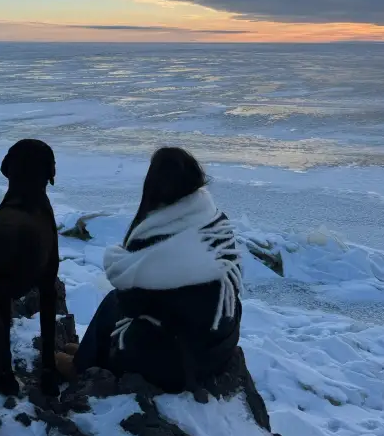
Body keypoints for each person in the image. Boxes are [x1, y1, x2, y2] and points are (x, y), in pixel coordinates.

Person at [55, 147, 243, 392]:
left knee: (117, 302)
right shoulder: (214, 220)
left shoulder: (158, 238)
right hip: (218, 347)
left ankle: (80, 366)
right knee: (149, 307)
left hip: (180, 366)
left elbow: (131, 305)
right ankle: (89, 353)